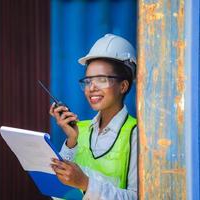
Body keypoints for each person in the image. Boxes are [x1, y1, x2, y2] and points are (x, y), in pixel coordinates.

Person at [50, 34, 137, 200]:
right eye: (88, 81)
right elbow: (58, 195)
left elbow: (137, 197)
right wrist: (71, 142)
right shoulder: (78, 130)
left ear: (123, 86)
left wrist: (86, 184)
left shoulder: (136, 135)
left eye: (102, 79)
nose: (91, 88)